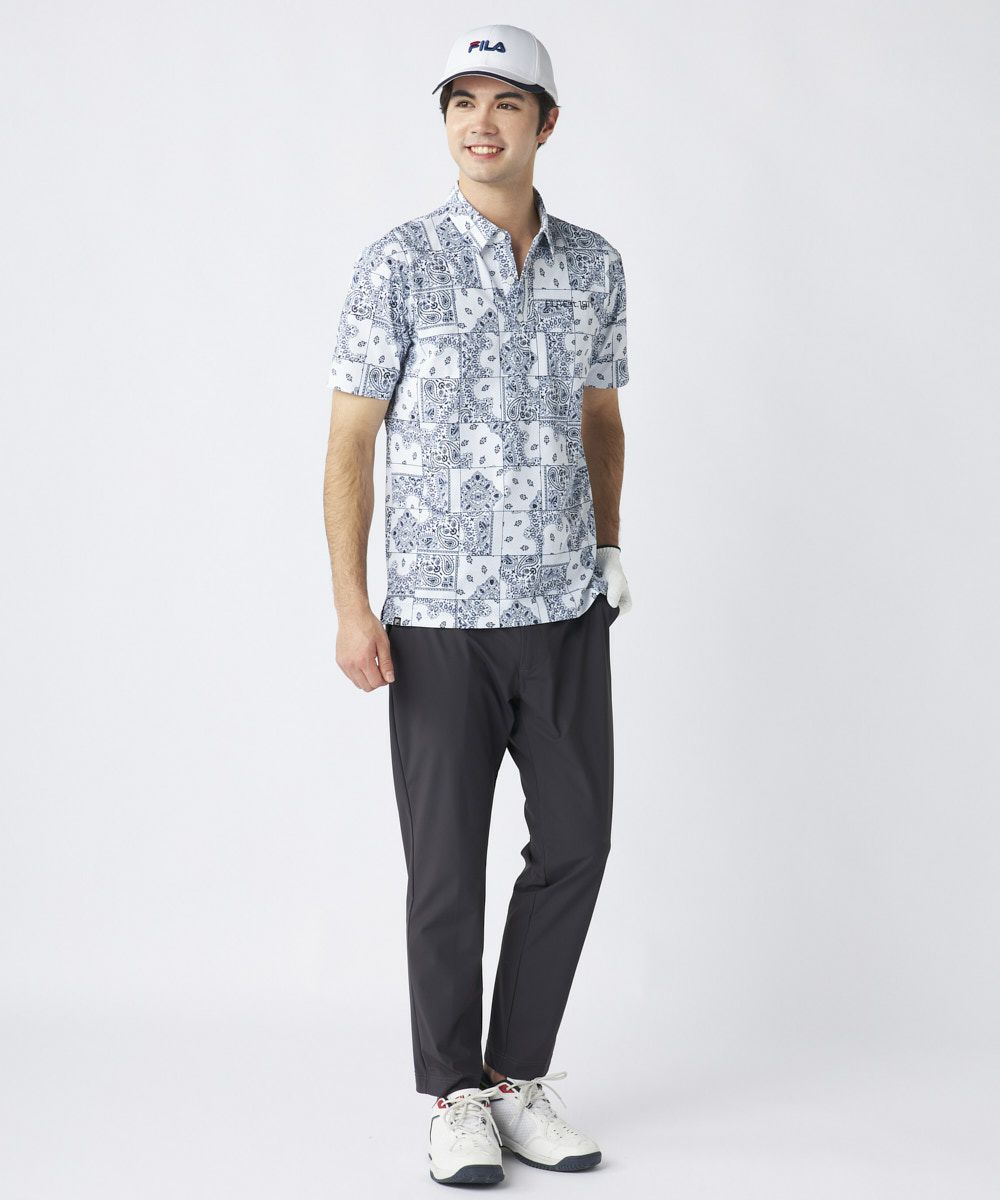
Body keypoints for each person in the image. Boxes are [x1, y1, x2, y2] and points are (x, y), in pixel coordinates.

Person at [323, 23, 632, 1186]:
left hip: (561, 612)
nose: (480, 122)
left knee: (578, 843)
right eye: (461, 101)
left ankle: (514, 1079)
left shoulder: (594, 264)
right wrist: (353, 605)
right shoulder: (398, 263)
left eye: (506, 101)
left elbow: (601, 417)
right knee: (446, 869)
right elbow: (349, 444)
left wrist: (606, 546)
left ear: (546, 122)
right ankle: (454, 1095)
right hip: (438, 621)